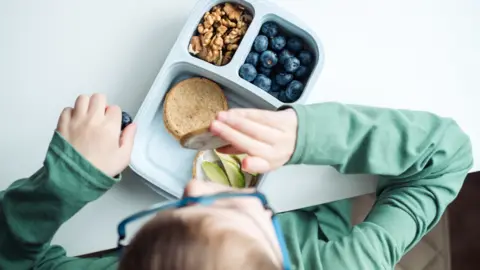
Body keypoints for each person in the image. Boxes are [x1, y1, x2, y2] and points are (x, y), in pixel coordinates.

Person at [0, 93, 472, 270]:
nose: (192, 188)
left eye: (170, 218)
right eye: (229, 207)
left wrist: (66, 179)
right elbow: (448, 157)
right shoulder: (350, 262)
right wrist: (306, 134)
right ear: (276, 250)